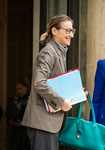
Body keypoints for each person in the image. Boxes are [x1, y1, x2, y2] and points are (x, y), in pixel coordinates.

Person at [22, 14, 76, 150]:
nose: (71, 35)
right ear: (54, 31)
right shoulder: (49, 52)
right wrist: (61, 102)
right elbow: (39, 83)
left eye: (72, 31)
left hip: (48, 123)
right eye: (67, 30)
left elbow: (55, 83)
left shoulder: (58, 53)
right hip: (42, 123)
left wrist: (77, 92)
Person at [5, 77, 31, 150]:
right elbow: (8, 117)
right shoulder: (11, 100)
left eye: (20, 88)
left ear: (26, 88)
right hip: (15, 133)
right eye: (16, 89)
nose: (18, 91)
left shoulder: (31, 100)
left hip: (26, 132)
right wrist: (10, 121)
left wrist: (24, 123)